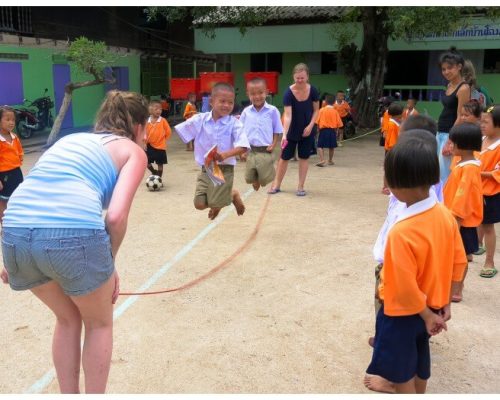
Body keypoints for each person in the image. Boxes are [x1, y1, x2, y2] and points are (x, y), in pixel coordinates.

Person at [1, 91, 149, 393]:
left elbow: (36, 191)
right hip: (70, 233)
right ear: (138, 127)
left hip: (15, 231)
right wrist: (109, 262)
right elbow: (116, 217)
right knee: (99, 324)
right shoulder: (133, 151)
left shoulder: (68, 141)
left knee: (67, 319)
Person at [366, 135, 467, 394]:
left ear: (398, 184)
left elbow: (404, 286)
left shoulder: (402, 231)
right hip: (433, 304)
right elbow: (459, 261)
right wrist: (443, 302)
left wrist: (425, 315)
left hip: (403, 312)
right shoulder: (445, 216)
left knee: (401, 373)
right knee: (420, 363)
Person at [175, 82, 249, 220]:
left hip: (224, 169)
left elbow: (243, 146)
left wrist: (225, 154)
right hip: (206, 168)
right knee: (199, 204)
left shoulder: (234, 123)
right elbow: (182, 130)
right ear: (211, 102)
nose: (226, 105)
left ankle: (229, 197)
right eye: (222, 101)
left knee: (216, 202)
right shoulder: (200, 120)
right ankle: (229, 194)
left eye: (230, 102)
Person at [443, 123, 483, 302]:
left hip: (461, 221)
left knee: (462, 255)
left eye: (453, 143)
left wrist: (456, 222)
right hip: (453, 218)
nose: (450, 146)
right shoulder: (463, 163)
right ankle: (456, 285)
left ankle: (457, 289)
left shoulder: (469, 168)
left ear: (463, 145)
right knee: (456, 255)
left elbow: (462, 197)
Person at [268, 63, 320, 197]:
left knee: (304, 157)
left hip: (307, 131)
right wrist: (284, 135)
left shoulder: (313, 91)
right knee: (284, 158)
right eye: (297, 78)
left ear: (307, 76)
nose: (300, 80)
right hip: (291, 130)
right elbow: (288, 115)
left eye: (302, 78)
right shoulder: (288, 93)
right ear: (293, 77)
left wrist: (310, 126)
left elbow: (316, 110)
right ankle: (277, 185)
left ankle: (300, 186)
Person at [239, 77, 283, 191]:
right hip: (250, 149)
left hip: (265, 149)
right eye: (253, 94)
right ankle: (255, 179)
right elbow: (240, 130)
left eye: (260, 93)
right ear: (248, 94)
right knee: (248, 177)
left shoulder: (272, 111)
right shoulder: (246, 112)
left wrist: (273, 144)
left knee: (264, 179)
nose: (257, 96)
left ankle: (264, 176)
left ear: (267, 92)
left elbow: (277, 130)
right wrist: (241, 149)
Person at [436, 47, 471, 185]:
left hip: (451, 134)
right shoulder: (449, 85)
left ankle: (446, 204)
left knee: (446, 174)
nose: (446, 72)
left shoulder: (463, 88)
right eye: (443, 69)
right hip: (440, 132)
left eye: (449, 68)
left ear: (459, 67)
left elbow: (461, 116)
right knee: (438, 171)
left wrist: (451, 140)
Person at [476, 105, 500, 278]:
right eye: (481, 121)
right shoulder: (481, 139)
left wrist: (474, 172)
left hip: (491, 193)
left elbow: (496, 174)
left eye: (486, 122)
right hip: (476, 189)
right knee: (475, 221)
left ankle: (489, 262)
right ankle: (475, 245)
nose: (482, 124)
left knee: (488, 226)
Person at [0, 105, 24, 222]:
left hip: (16, 172)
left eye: (13, 120)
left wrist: (20, 158)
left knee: (18, 197)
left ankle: (16, 222)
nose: (11, 122)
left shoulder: (14, 137)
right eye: (7, 119)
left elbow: (19, 151)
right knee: (3, 200)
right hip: (4, 175)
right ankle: (4, 223)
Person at [145, 100, 171, 178]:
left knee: (160, 163)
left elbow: (168, 132)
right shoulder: (147, 121)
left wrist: (163, 140)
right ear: (150, 110)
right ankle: (153, 172)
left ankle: (159, 178)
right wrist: (144, 143)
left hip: (160, 146)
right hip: (149, 146)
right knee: (146, 162)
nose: (159, 111)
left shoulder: (163, 121)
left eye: (160, 109)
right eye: (156, 109)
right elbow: (144, 133)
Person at [381, 103, 403, 195]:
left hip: (394, 149)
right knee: (389, 169)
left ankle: (392, 186)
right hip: (392, 150)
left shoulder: (395, 123)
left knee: (393, 169)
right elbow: (392, 141)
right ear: (398, 114)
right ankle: (386, 187)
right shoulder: (392, 125)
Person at [315, 94, 343, 167]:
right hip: (332, 131)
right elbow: (339, 124)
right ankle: (330, 160)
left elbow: (317, 122)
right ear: (334, 102)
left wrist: (317, 130)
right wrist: (336, 132)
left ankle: (322, 160)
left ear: (325, 102)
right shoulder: (335, 111)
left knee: (320, 146)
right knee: (331, 146)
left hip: (323, 130)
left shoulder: (321, 110)